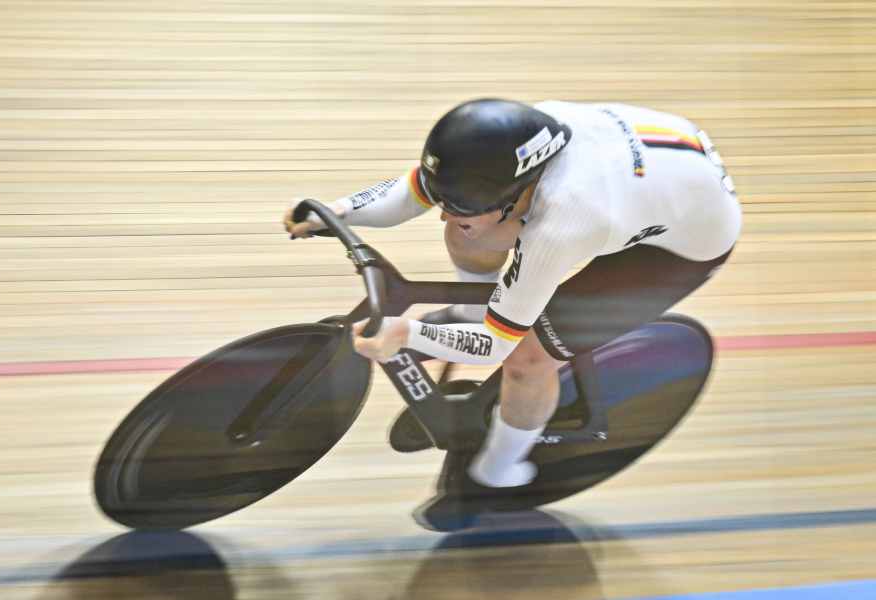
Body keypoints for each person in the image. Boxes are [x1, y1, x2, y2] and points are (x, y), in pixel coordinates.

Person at [282, 98, 741, 490]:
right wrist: (339, 211)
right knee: (468, 233)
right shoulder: (509, 147)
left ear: (516, 197)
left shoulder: (563, 222)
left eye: (457, 205)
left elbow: (498, 347)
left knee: (528, 359)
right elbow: (414, 191)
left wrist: (407, 334)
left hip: (680, 248)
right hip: (651, 186)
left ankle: (498, 470)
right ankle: (469, 313)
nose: (443, 214)